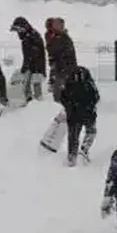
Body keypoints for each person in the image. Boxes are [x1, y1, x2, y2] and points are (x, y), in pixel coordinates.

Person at [40, 18, 79, 150]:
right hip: (61, 71)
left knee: (63, 98)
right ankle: (59, 120)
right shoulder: (54, 37)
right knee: (60, 97)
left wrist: (62, 72)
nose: (61, 26)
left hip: (65, 72)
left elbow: (62, 57)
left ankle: (60, 124)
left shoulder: (62, 39)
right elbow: (53, 56)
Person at [57, 64, 100, 166]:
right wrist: (90, 106)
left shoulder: (68, 86)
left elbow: (63, 98)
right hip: (88, 113)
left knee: (73, 136)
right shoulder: (89, 85)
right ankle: (84, 149)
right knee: (91, 131)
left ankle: (72, 156)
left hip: (73, 114)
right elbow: (96, 97)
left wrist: (69, 107)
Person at [11, 17, 47, 103]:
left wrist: (26, 66)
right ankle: (30, 102)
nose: (18, 32)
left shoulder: (30, 37)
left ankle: (37, 104)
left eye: (18, 30)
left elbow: (32, 54)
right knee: (28, 84)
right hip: (33, 65)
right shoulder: (29, 36)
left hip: (36, 66)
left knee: (34, 84)